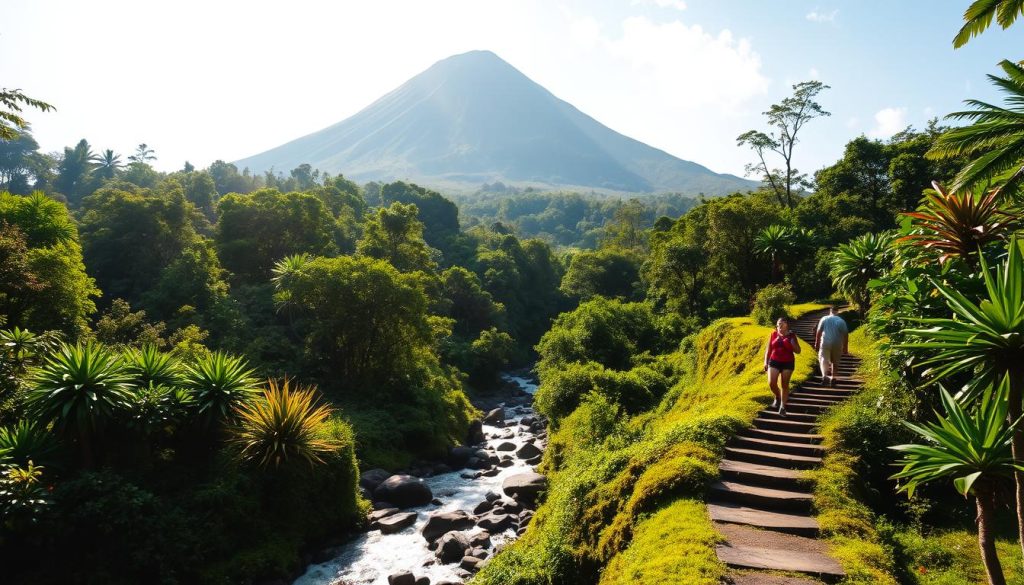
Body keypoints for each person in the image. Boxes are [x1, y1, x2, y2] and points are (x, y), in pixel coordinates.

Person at [763, 316, 800, 416]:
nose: (780, 325)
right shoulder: (773, 334)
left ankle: (782, 407)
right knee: (771, 383)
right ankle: (778, 396)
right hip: (774, 361)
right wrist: (765, 362)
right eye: (778, 324)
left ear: (787, 325)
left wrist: (790, 343)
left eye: (782, 323)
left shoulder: (791, 335)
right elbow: (768, 350)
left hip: (788, 362)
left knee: (785, 384)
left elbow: (798, 351)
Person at [814, 306, 849, 387]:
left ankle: (825, 376)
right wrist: (845, 348)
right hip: (837, 343)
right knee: (835, 361)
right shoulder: (841, 321)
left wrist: (817, 343)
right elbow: (846, 335)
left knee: (823, 359)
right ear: (837, 312)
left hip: (825, 342)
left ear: (830, 311)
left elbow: (819, 332)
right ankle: (833, 377)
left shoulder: (824, 318)